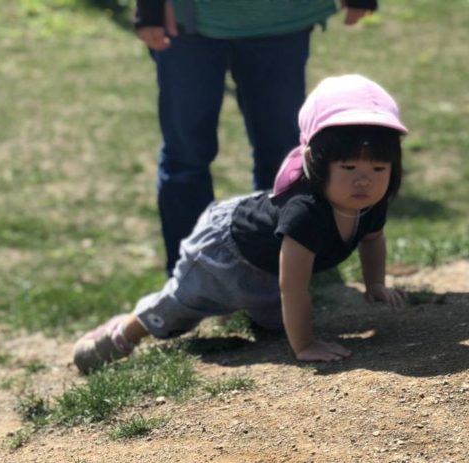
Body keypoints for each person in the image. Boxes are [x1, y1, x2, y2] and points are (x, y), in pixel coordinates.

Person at [73, 74, 408, 370]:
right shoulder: (305, 211)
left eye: (379, 168)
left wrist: (375, 284)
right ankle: (124, 332)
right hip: (225, 254)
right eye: (348, 168)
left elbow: (372, 239)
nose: (364, 181)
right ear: (313, 161)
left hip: (268, 269)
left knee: (276, 324)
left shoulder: (368, 202)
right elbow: (293, 288)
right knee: (180, 308)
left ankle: (238, 308)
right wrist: (304, 345)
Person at [134, 0, 380, 272]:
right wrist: (150, 7)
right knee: (185, 159)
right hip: (188, 22)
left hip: (280, 19)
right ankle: (189, 276)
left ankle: (278, 269)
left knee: (282, 158)